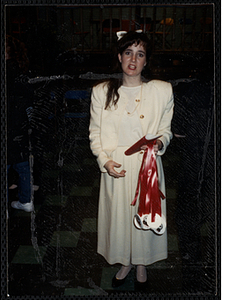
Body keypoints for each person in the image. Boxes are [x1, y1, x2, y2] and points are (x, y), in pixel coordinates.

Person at [89, 31, 174, 289]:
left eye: (140, 54)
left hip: (147, 164)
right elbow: (94, 132)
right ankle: (125, 261)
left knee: (144, 215)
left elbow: (166, 130)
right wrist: (104, 161)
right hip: (117, 165)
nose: (133, 59)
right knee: (120, 218)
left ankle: (141, 263)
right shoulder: (101, 92)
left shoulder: (161, 91)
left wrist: (160, 143)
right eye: (128, 52)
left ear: (146, 61)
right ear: (119, 57)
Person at [6, 35, 34, 213]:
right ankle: (26, 201)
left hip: (7, 121)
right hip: (21, 122)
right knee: (23, 164)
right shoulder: (23, 70)